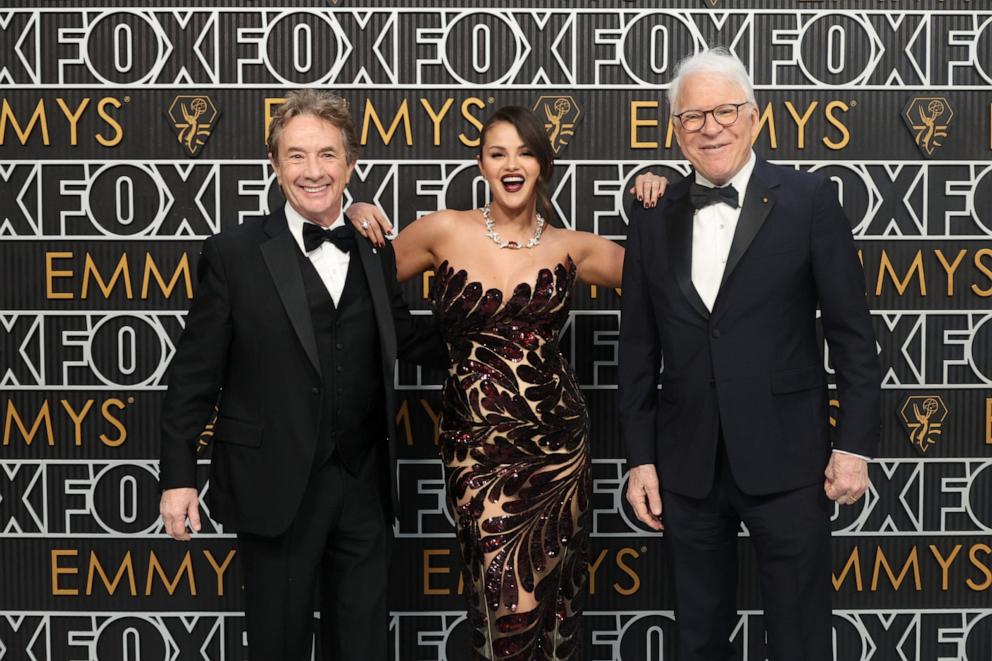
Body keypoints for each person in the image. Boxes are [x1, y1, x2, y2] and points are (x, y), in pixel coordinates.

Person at [349, 105, 666, 659]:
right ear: (481, 164)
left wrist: (664, 195)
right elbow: (353, 284)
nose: (511, 164)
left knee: (554, 608)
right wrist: (347, 213)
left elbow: (670, 282)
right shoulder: (443, 230)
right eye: (498, 153)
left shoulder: (575, 247)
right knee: (501, 600)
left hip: (558, 450)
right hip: (476, 452)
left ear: (543, 163)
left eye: (524, 152)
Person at [158, 89, 444, 661]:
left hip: (363, 483)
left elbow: (405, 337)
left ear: (351, 164)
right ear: (274, 165)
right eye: (296, 156)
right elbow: (194, 373)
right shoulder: (234, 253)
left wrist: (497, 325)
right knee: (278, 644)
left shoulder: (375, 248)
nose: (313, 171)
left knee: (363, 646)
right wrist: (178, 476)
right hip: (274, 482)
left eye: (327, 155)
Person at [617, 48, 881, 661]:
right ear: (676, 130)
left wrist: (853, 446)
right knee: (698, 635)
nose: (711, 127)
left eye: (726, 111)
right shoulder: (651, 215)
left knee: (800, 635)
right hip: (686, 466)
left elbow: (852, 335)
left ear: (755, 117)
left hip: (792, 462)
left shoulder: (809, 200)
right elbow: (636, 350)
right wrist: (641, 461)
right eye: (693, 117)